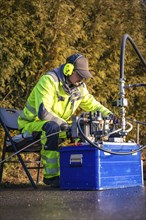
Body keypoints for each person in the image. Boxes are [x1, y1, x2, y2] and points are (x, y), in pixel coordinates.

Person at [18, 53, 117, 187]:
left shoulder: (79, 87)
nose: (82, 79)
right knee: (52, 127)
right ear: (68, 69)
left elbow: (93, 104)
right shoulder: (48, 81)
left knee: (82, 127)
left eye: (84, 76)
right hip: (33, 124)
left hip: (58, 125)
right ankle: (51, 177)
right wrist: (66, 125)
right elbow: (44, 112)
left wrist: (110, 115)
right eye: (80, 75)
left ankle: (76, 173)